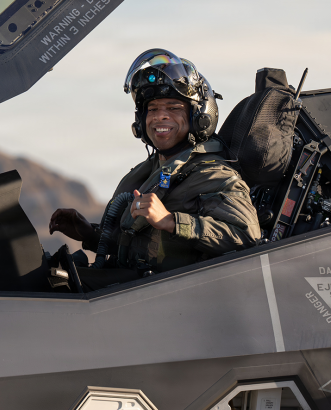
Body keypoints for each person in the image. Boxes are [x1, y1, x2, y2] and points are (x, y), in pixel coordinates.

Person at [50, 49, 260, 290]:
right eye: (152, 109)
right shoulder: (151, 172)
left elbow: (248, 238)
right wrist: (89, 233)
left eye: (173, 108)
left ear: (198, 116)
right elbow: (138, 245)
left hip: (171, 300)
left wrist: (171, 221)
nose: (160, 116)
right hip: (131, 292)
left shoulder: (213, 175)